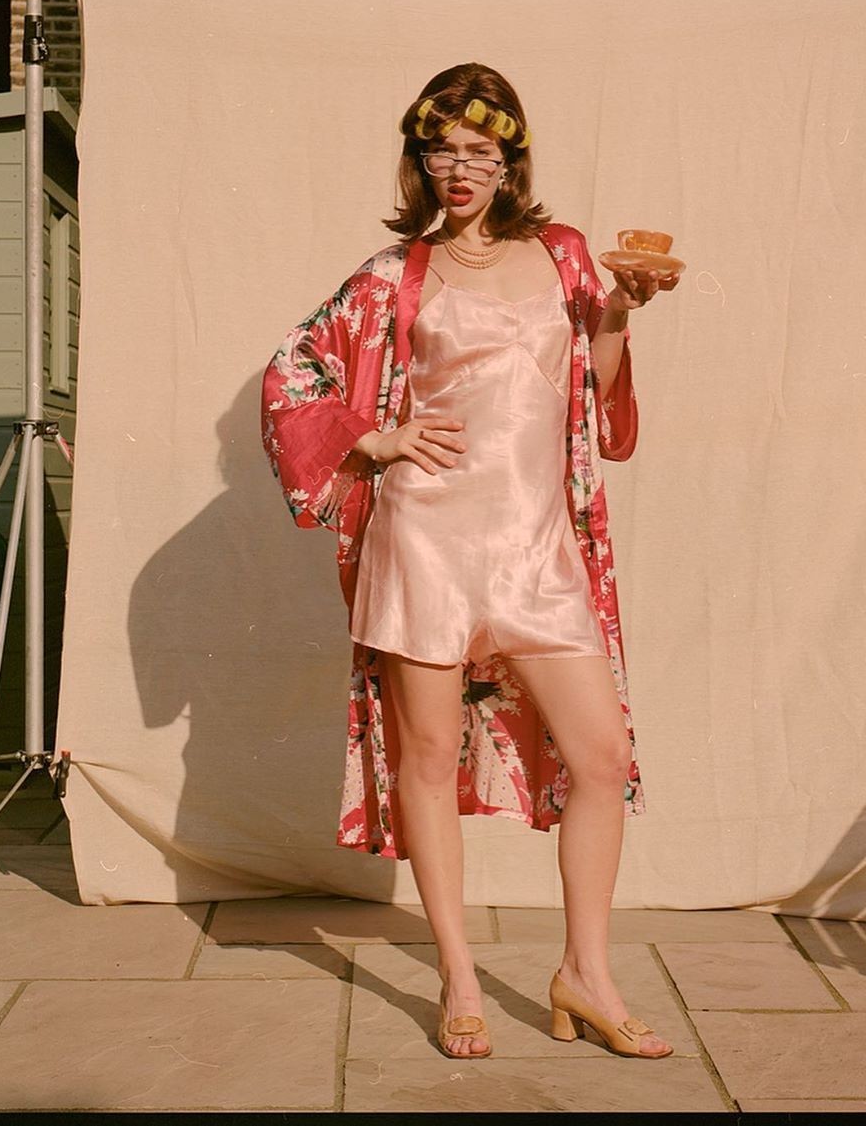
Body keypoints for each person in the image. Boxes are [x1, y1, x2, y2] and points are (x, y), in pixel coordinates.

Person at [261, 61, 680, 1061]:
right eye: (441, 149)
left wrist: (620, 312)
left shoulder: (566, 254)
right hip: (427, 542)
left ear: (509, 159)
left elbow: (595, 395)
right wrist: (375, 438)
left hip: (537, 546)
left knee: (601, 758)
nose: (458, 168)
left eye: (479, 151)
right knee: (425, 754)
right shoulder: (394, 273)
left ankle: (585, 973)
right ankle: (458, 975)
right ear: (421, 159)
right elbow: (293, 370)